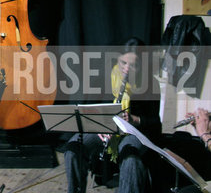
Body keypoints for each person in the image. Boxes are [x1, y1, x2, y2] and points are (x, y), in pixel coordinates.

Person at [64, 37, 162, 193]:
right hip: (104, 129)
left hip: (131, 132)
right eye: (123, 63)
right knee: (73, 149)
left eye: (134, 65)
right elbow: (91, 109)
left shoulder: (151, 84)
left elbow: (156, 123)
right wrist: (99, 126)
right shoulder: (106, 78)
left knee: (130, 159)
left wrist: (135, 119)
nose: (127, 69)